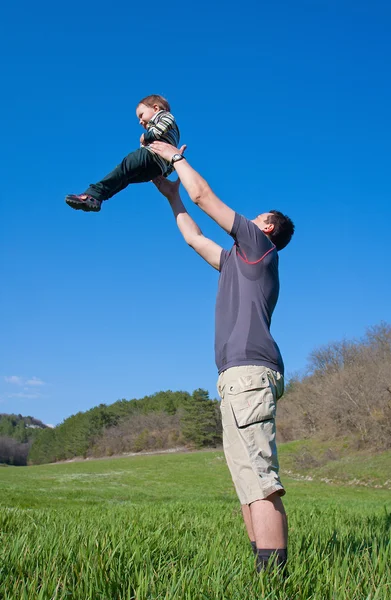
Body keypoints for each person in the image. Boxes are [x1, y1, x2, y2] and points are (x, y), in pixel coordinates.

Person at [150, 140, 295, 574]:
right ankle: (262, 571)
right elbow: (195, 237)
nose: (250, 219)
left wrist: (175, 157)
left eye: (258, 217)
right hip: (235, 376)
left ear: (267, 228)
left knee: (261, 481)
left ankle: (275, 578)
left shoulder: (258, 245)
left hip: (250, 373)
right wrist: (172, 196)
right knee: (247, 483)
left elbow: (205, 197)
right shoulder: (236, 260)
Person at [65, 95, 180, 212]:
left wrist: (147, 136)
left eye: (141, 115)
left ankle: (93, 194)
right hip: (155, 169)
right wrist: (169, 169)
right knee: (125, 178)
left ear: (155, 109)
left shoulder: (163, 116)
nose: (140, 121)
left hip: (149, 156)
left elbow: (167, 121)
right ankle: (97, 198)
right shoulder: (172, 137)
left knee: (122, 169)